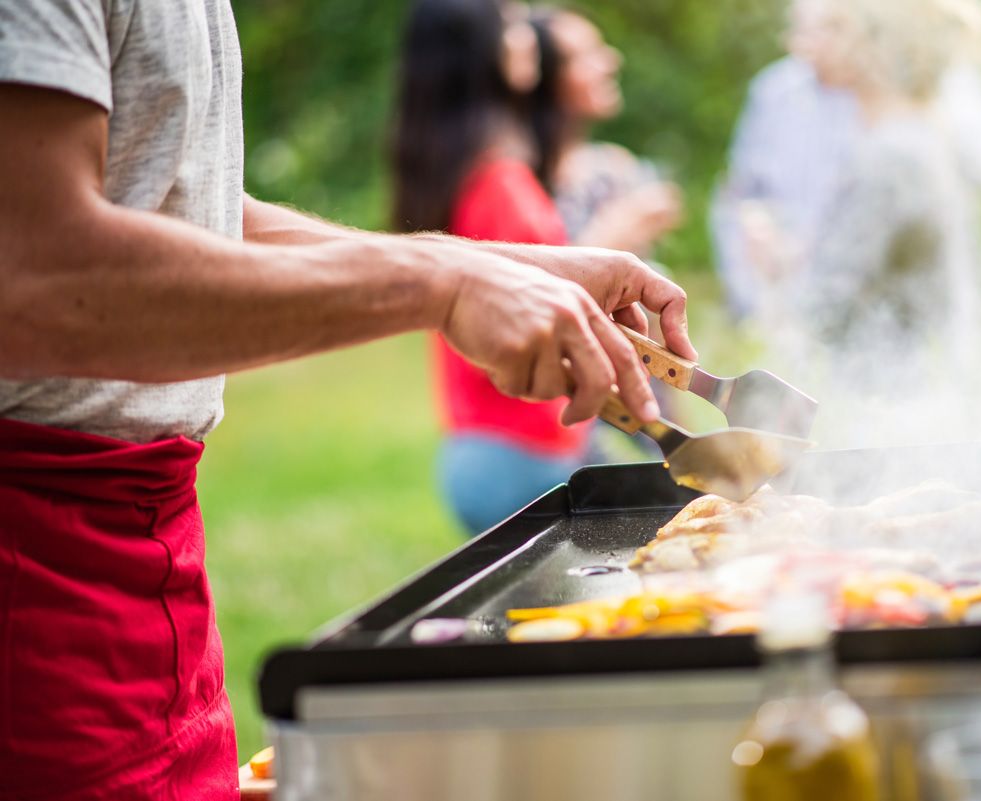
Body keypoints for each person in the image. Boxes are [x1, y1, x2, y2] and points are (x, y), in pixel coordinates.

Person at [0, 0, 696, 798]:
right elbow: (29, 273)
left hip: (154, 566)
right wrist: (444, 284)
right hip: (34, 574)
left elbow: (201, 216)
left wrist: (501, 268)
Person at [394, 0, 641, 534]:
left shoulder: (462, 170)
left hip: (484, 447)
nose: (528, 35)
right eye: (510, 24)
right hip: (523, 456)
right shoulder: (498, 182)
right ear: (475, 50)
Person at [712, 0, 981, 321]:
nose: (805, 44)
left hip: (896, 367)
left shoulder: (892, 156)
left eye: (835, 28)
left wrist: (776, 275)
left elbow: (827, 309)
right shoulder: (901, 141)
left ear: (872, 47)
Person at [529, 7, 683, 257]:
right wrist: (623, 224)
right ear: (543, 76)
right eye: (585, 56)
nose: (611, 61)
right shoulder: (519, 179)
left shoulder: (610, 167)